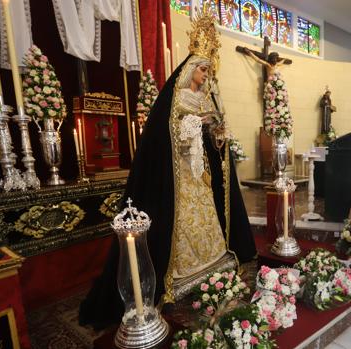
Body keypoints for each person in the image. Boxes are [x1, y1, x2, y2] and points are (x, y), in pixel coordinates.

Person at [78, 10, 257, 330]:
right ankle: (181, 269)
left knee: (208, 220)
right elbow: (167, 134)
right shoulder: (176, 97)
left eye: (207, 70)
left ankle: (213, 261)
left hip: (199, 175)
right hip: (179, 177)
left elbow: (216, 140)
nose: (204, 76)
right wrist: (193, 124)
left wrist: (215, 129)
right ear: (190, 69)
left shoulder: (207, 99)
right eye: (202, 70)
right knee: (182, 223)